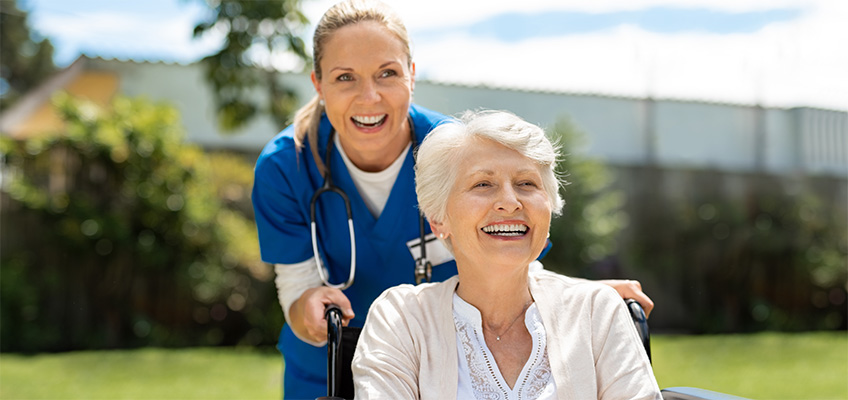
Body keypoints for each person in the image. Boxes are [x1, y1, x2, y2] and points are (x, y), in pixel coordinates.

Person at [251, 1, 654, 397]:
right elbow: (297, 282)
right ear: (318, 84)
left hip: (448, 363)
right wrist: (308, 308)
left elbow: (510, 244)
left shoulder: (459, 155)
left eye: (387, 73)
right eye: (345, 78)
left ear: (411, 74)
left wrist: (583, 302)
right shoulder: (286, 167)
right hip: (327, 367)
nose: (369, 96)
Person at [352, 110, 662, 399]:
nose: (510, 201)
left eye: (527, 183)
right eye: (483, 184)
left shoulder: (596, 311)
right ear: (438, 219)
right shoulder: (401, 319)